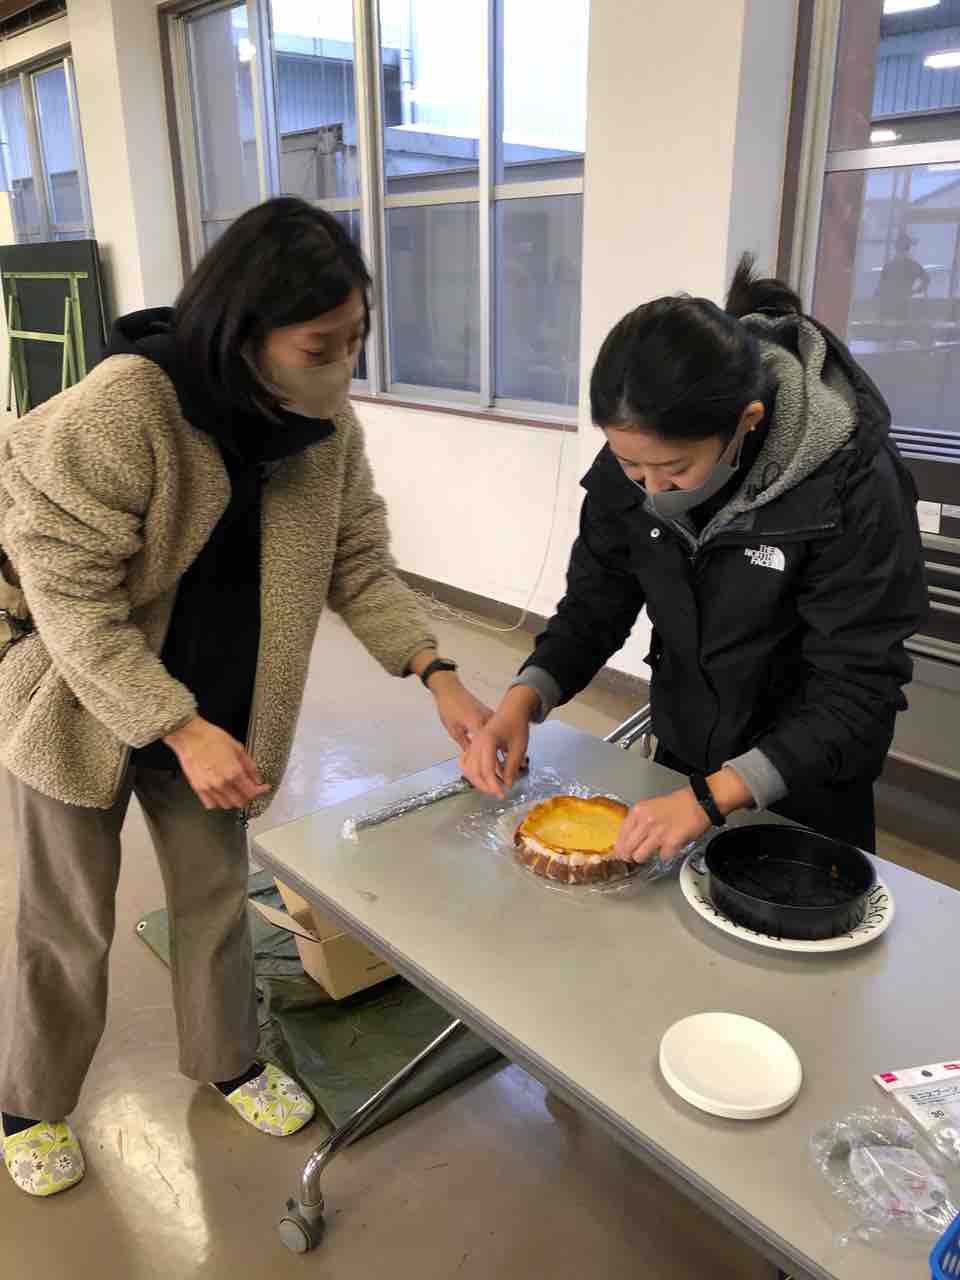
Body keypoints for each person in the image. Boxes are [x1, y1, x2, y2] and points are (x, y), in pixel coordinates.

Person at [0, 197, 491, 1198]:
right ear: (244, 333)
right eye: (321, 346)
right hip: (76, 697)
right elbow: (72, 604)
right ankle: (27, 1101)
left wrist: (433, 670)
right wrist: (177, 727)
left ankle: (227, 1058)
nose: (344, 368)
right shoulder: (124, 408)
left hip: (220, 707)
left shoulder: (325, 428)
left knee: (217, 897)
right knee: (67, 918)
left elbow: (358, 559)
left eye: (355, 340)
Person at [461, 254, 927, 865]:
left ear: (745, 423)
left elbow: (858, 687)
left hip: (806, 784)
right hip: (684, 761)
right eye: (630, 465)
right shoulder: (639, 451)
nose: (652, 489)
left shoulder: (851, 483)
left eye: (675, 470)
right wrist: (524, 700)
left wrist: (714, 797)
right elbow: (595, 605)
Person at [876, 231, 930, 322]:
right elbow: (926, 279)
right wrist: (916, 291)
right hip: (900, 307)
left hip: (892, 308)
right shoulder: (911, 265)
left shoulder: (890, 266)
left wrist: (916, 291)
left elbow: (881, 286)